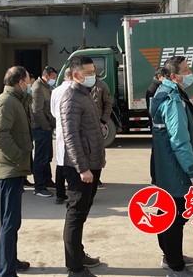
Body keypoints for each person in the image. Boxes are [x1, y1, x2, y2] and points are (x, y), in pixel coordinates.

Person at [150, 56, 193, 277]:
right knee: (175, 217)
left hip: (165, 168)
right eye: (185, 70)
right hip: (175, 169)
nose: (190, 73)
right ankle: (175, 267)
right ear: (174, 76)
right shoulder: (173, 100)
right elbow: (179, 141)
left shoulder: (164, 92)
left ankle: (170, 256)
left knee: (166, 213)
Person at [60, 56, 105, 277]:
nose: (92, 76)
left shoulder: (85, 93)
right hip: (80, 167)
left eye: (93, 72)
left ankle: (78, 254)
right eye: (88, 73)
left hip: (91, 163)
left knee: (83, 212)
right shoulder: (71, 98)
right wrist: (82, 168)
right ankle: (75, 268)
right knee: (76, 215)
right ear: (76, 75)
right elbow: (71, 137)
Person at [0, 66, 33, 277]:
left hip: (13, 168)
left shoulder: (16, 101)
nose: (30, 83)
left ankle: (10, 260)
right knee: (10, 222)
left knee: (11, 221)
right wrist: (18, 156)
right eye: (28, 80)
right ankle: (4, 271)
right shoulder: (6, 102)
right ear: (19, 82)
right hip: (8, 169)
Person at [31, 66, 58, 197]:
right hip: (41, 128)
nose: (54, 80)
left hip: (47, 127)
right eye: (53, 78)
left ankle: (47, 180)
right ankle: (39, 186)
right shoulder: (37, 88)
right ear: (46, 76)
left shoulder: (46, 87)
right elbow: (37, 110)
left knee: (47, 156)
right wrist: (46, 126)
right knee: (40, 158)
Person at [51, 68, 73, 205]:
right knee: (74, 162)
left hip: (60, 129)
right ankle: (74, 193)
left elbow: (53, 112)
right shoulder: (77, 90)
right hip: (75, 131)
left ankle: (60, 194)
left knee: (60, 162)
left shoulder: (55, 91)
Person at [146, 67, 171, 185]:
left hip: (159, 127)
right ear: (160, 76)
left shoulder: (159, 88)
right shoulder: (154, 90)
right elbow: (154, 112)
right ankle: (155, 179)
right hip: (158, 127)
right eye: (167, 77)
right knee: (157, 153)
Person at [90, 76, 112, 189]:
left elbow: (108, 104)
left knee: (98, 152)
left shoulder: (101, 85)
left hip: (97, 125)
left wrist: (103, 121)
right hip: (83, 125)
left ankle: (96, 177)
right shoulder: (79, 85)